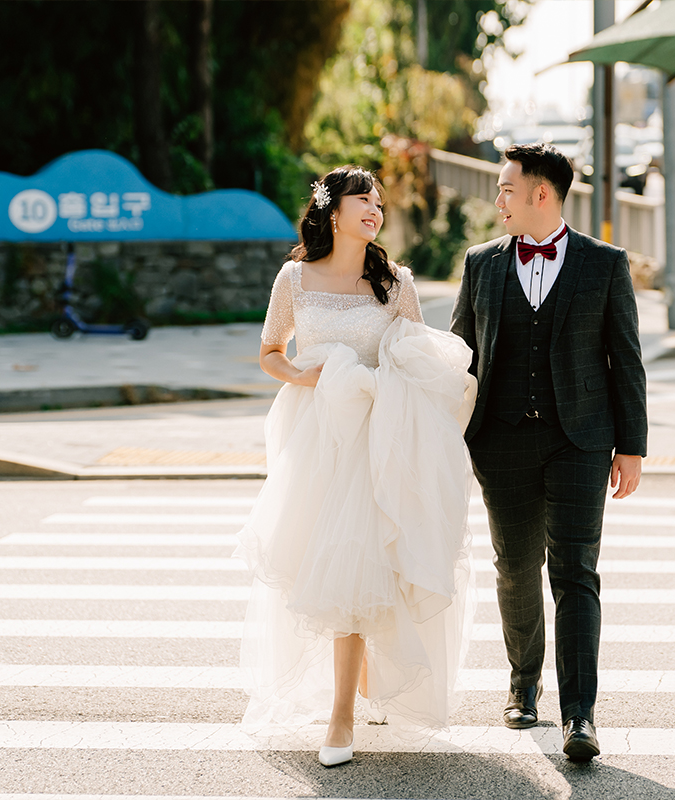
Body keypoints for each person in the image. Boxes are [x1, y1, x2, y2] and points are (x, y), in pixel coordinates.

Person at [235, 165, 477, 767]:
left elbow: (421, 358)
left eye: (377, 200)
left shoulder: (394, 282)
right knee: (330, 568)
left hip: (381, 435)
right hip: (317, 438)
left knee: (367, 566)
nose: (374, 208)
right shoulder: (294, 277)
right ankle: (347, 692)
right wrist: (299, 373)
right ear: (331, 211)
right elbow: (269, 351)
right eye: (361, 199)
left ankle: (342, 715)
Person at [450, 143, 648, 761]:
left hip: (580, 439)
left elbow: (626, 360)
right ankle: (521, 681)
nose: (498, 198)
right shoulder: (480, 263)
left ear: (542, 194)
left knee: (575, 573)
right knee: (514, 567)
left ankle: (581, 715)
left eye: (507, 188)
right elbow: (460, 355)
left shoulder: (605, 265)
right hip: (500, 440)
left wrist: (631, 447)